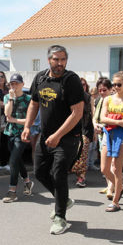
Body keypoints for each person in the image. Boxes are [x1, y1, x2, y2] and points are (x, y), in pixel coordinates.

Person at [21, 45, 84, 235]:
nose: (60, 63)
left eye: (63, 59)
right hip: (45, 135)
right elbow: (34, 103)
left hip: (67, 138)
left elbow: (77, 112)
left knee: (58, 174)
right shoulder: (40, 78)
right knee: (40, 172)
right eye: (56, 59)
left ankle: (60, 218)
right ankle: (62, 200)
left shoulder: (71, 80)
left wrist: (58, 135)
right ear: (49, 60)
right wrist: (27, 126)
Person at [98, 71, 123, 211]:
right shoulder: (108, 99)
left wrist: (111, 120)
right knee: (104, 169)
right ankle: (120, 187)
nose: (116, 87)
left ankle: (115, 201)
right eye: (114, 84)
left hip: (122, 138)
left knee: (116, 169)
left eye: (119, 84)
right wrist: (117, 120)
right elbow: (102, 118)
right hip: (108, 135)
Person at [2, 73, 34, 202]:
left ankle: (12, 191)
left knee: (13, 161)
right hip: (10, 133)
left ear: (22, 84)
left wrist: (14, 120)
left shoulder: (28, 99)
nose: (14, 86)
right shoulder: (7, 97)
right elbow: (6, 114)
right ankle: (27, 182)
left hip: (23, 134)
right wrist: (11, 98)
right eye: (12, 83)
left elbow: (29, 120)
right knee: (17, 159)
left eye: (16, 83)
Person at [71, 77, 95, 187]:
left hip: (86, 129)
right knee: (74, 153)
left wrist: (94, 131)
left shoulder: (89, 98)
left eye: (84, 85)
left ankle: (81, 177)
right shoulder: (71, 97)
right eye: (80, 84)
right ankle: (76, 171)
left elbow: (93, 116)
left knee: (83, 153)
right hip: (72, 130)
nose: (82, 86)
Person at [93, 77, 113, 194]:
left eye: (104, 90)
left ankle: (112, 187)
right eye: (99, 90)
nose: (101, 92)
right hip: (101, 135)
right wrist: (95, 125)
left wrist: (103, 126)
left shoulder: (113, 101)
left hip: (111, 134)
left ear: (110, 89)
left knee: (111, 164)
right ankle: (109, 184)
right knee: (104, 162)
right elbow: (95, 117)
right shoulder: (98, 100)